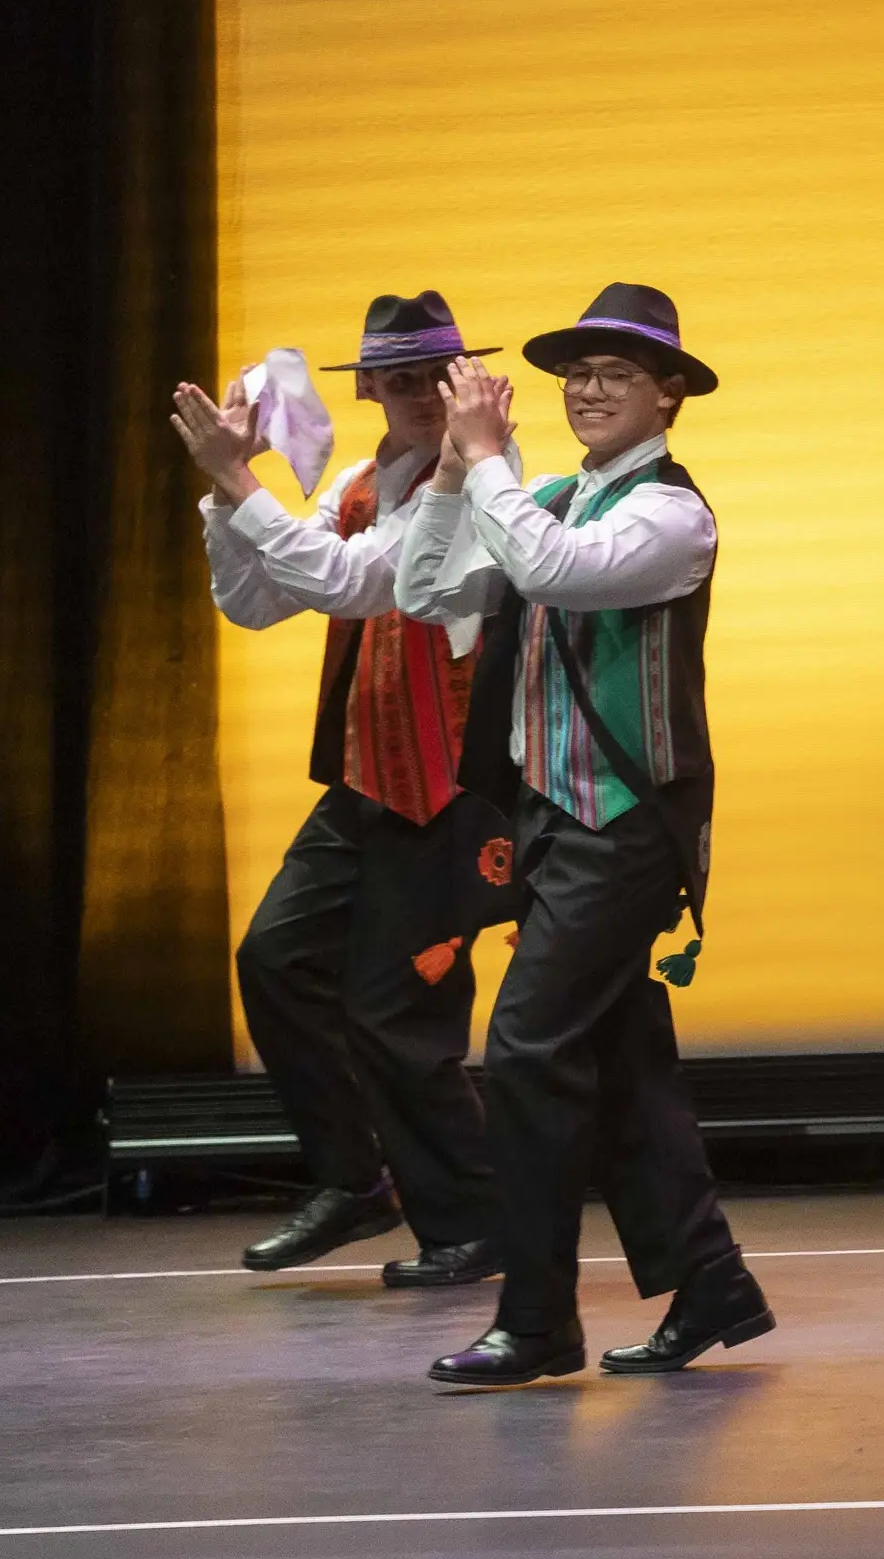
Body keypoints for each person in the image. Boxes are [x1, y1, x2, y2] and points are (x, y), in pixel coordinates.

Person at [396, 282, 773, 1387]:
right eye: (575, 371)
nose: (588, 387)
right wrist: (462, 473)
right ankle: (709, 1283)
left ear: (669, 395)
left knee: (522, 1054)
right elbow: (428, 591)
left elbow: (556, 572)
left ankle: (537, 1319)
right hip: (555, 825)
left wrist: (488, 466)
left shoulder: (672, 515)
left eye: (616, 372)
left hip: (626, 832)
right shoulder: (547, 495)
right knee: (617, 1069)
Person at [168, 290, 509, 1286]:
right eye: (391, 379)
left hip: (453, 793)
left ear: (461, 383)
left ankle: (473, 1220)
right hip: (367, 779)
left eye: (427, 376)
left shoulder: (489, 485)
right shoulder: (363, 480)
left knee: (396, 1015)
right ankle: (355, 1181)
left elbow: (364, 583)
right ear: (367, 391)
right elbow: (260, 597)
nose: (410, 395)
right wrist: (232, 493)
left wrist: (239, 480)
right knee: (275, 960)